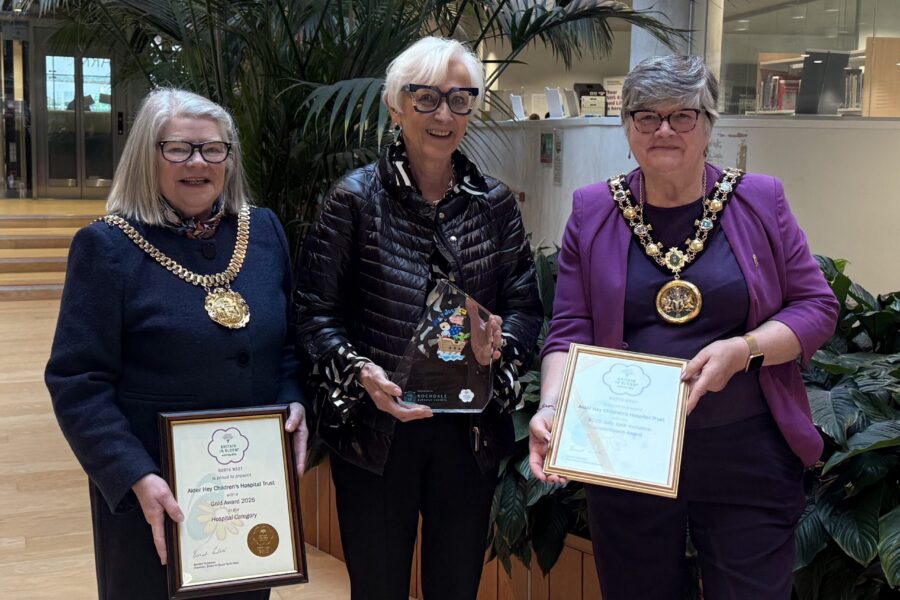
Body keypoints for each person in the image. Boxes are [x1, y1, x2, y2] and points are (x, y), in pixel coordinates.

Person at [528, 55, 839, 599]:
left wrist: (743, 350)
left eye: (683, 115)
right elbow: (569, 327)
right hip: (627, 450)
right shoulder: (594, 208)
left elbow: (815, 307)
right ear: (627, 126)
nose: (664, 129)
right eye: (646, 115)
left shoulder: (759, 200)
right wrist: (552, 407)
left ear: (708, 124)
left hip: (746, 447)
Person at [294, 36, 543, 600]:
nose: (444, 115)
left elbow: (527, 309)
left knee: (455, 586)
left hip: (469, 434)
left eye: (460, 100)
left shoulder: (495, 203)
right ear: (395, 105)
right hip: (377, 433)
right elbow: (313, 315)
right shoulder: (353, 200)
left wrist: (500, 346)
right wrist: (359, 371)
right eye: (426, 98)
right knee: (378, 586)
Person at [45, 88, 309, 600]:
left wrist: (294, 396)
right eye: (178, 149)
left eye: (213, 149)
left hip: (247, 493)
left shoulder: (264, 231)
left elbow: (289, 346)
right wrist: (134, 475)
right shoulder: (107, 247)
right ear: (149, 153)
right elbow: (77, 382)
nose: (198, 163)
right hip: (153, 495)